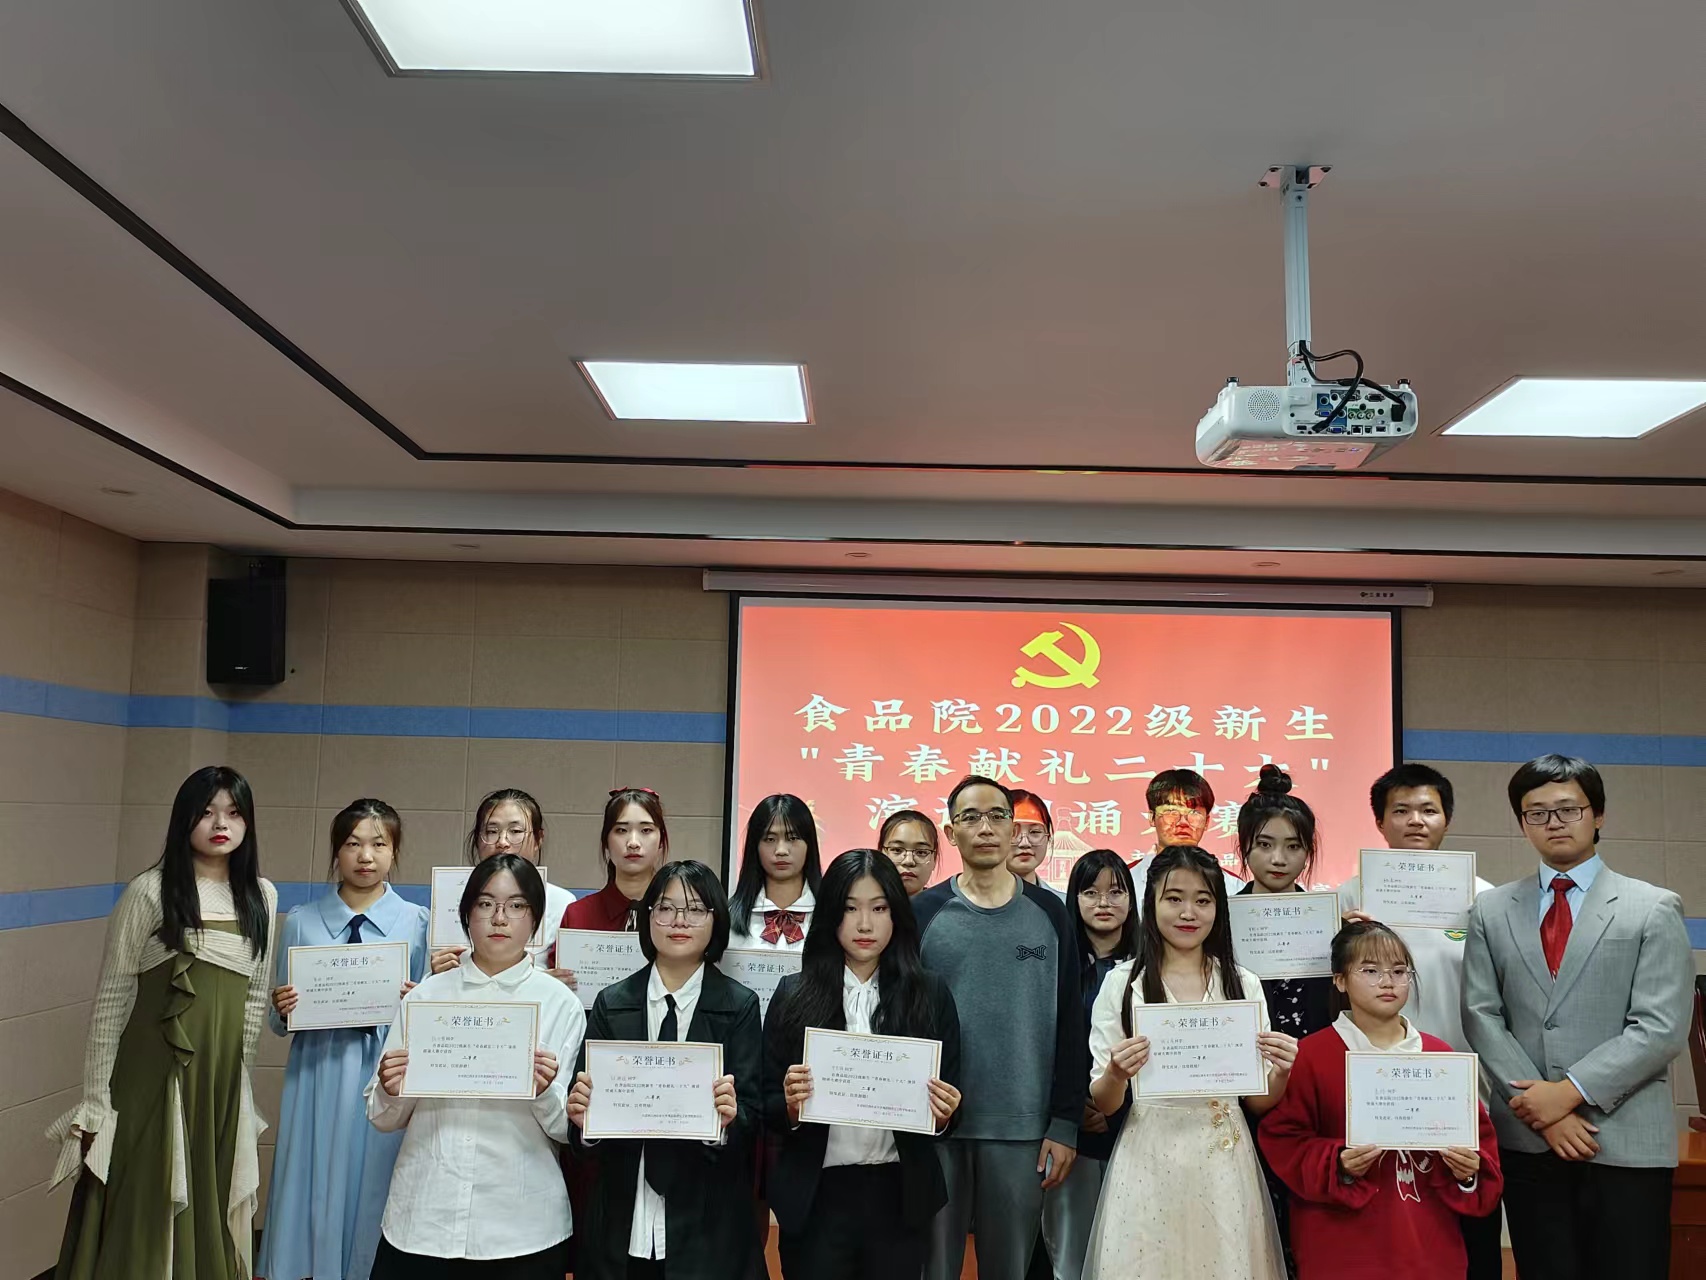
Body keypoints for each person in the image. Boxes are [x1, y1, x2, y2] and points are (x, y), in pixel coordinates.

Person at [1461, 754, 1693, 1280]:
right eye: (1537, 813)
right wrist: (1544, 1112)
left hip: (1624, 1138)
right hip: (1529, 1138)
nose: (1554, 822)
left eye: (1568, 809)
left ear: (1598, 814)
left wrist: (1567, 1094)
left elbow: (1660, 1028)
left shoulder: (1652, 906)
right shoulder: (1491, 910)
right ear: (1522, 823)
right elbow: (1481, 1016)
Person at [48, 766, 277, 1280]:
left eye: (234, 812)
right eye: (206, 812)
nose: (221, 824)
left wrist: (238, 1082)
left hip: (219, 1082)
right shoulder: (149, 891)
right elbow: (113, 997)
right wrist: (96, 1099)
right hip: (152, 1074)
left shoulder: (262, 895)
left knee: (210, 1194)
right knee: (144, 1195)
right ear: (184, 819)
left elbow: (253, 998)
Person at [366, 853, 585, 1279]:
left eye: (516, 905)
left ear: (536, 920)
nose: (499, 918)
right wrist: (391, 1089)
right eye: (485, 904)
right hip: (423, 1217)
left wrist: (543, 1092)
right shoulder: (427, 998)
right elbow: (381, 1117)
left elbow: (566, 1130)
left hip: (522, 1227)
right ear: (466, 915)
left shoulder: (560, 1004)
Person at [1083, 845, 1296, 1280]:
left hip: (1223, 1156)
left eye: (1203, 900)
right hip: (1147, 1151)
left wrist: (1281, 1072)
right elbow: (1104, 1102)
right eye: (1174, 898)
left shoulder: (1242, 984)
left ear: (1218, 907)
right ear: (1151, 902)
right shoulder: (1122, 984)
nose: (1188, 912)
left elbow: (1257, 1102)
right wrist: (1116, 1074)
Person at [1258, 922, 1503, 1279]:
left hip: (1428, 1240)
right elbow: (1283, 1139)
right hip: (1341, 1245)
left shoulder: (1439, 1055)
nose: (1388, 982)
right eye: (1370, 971)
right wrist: (1337, 1162)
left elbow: (1481, 1146)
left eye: (1399, 971)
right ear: (1340, 980)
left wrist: (1468, 1171)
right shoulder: (1311, 1055)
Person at [914, 776, 1084, 1280]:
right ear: (951, 833)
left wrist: (1064, 1122)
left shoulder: (1050, 914)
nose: (985, 828)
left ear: (1014, 829)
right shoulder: (922, 913)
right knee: (933, 1268)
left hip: (1022, 1131)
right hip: (936, 1127)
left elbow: (1070, 1023)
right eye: (971, 818)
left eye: (997, 816)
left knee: (1008, 1269)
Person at [764, 849, 964, 1279]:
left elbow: (950, 1103)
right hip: (817, 1195)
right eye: (850, 908)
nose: (865, 925)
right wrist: (791, 1107)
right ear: (830, 915)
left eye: (879, 908)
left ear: (897, 915)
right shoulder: (793, 995)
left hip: (899, 1194)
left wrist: (945, 1113)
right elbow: (766, 1103)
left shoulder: (929, 994)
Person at [1336, 761, 1500, 1279]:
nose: (1414, 821)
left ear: (1446, 819)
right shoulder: (1350, 896)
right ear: (1379, 823)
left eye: (1428, 810)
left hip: (1460, 1081)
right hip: (1373, 1086)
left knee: (1463, 1217)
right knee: (1387, 1225)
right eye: (1400, 810)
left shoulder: (1484, 898)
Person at [259, 798, 430, 1280]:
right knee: (311, 1177)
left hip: (384, 1073)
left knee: (374, 1179)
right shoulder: (301, 920)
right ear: (337, 851)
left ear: (394, 852)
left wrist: (416, 1002)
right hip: (316, 1071)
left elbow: (427, 1018)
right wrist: (283, 1007)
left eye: (379, 844)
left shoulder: (418, 921)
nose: (366, 856)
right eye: (353, 844)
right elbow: (278, 1022)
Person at [567, 861, 762, 1280]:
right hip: (623, 1220)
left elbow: (754, 1120)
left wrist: (730, 1118)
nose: (679, 921)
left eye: (695, 909)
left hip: (707, 1226)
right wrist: (584, 1121)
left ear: (715, 920)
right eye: (666, 908)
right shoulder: (612, 1003)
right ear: (648, 917)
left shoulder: (739, 1005)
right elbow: (582, 1131)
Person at [1036, 851, 1136, 1280]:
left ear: (1132, 900)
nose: (1104, 903)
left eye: (1116, 892)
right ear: (1073, 899)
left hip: (1134, 1129)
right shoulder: (1055, 965)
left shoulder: (1150, 968)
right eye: (1091, 892)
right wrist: (1073, 1106)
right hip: (1070, 1130)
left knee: (1131, 1254)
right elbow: (1043, 1045)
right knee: (1071, 1258)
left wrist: (1113, 1101)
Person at [428, 788, 575, 980]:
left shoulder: (562, 903)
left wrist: (542, 980)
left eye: (515, 831)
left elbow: (568, 977)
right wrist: (434, 976)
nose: (502, 842)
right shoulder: (445, 896)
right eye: (491, 831)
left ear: (538, 839)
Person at [561, 787, 670, 934]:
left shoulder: (680, 915)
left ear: (661, 841)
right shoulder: (578, 915)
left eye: (646, 830)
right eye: (621, 830)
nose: (633, 843)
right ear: (606, 841)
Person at [728, 793, 822, 950]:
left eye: (792, 838)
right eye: (770, 839)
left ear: (809, 844)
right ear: (755, 847)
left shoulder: (832, 916)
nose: (781, 850)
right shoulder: (727, 920)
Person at [1128, 768, 1242, 893]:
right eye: (1171, 811)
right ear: (1152, 817)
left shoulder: (1233, 887)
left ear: (1207, 821)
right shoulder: (1125, 881)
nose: (1183, 822)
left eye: (1194, 812)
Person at [879, 809, 939, 897]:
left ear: (934, 858)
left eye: (921, 852)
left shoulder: (948, 905)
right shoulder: (862, 904)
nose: (909, 861)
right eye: (897, 850)